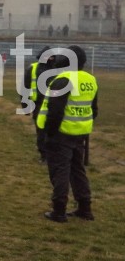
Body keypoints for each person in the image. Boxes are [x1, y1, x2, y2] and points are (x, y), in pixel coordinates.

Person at [36, 46, 98, 222]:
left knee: (60, 170)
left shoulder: (62, 80)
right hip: (80, 133)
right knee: (77, 170)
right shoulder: (90, 79)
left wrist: (50, 132)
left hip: (61, 133)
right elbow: (94, 109)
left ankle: (59, 209)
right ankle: (85, 207)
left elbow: (55, 111)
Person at [23, 46, 52, 163]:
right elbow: (25, 87)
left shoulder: (58, 69)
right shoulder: (32, 69)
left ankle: (51, 154)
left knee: (53, 132)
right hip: (38, 105)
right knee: (41, 131)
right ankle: (44, 155)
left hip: (54, 105)